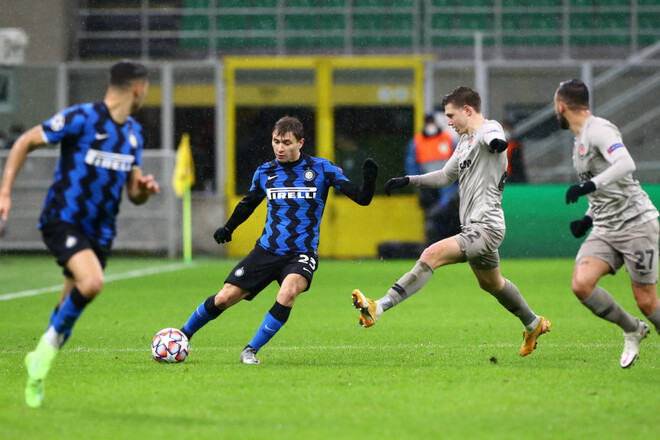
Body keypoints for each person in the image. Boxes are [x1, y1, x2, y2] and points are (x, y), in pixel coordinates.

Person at [0, 60, 160, 407]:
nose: (146, 95)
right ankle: (41, 355)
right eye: (146, 89)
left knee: (65, 313)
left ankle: (37, 366)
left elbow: (133, 192)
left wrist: (144, 190)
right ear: (137, 89)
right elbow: (25, 141)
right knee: (92, 283)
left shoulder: (133, 132)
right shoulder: (82, 118)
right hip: (64, 219)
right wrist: (4, 192)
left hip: (100, 232)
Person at [352, 86, 551, 357]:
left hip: (486, 227)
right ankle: (533, 323)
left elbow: (494, 137)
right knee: (492, 284)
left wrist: (497, 144)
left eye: (450, 115)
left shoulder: (488, 129)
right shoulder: (465, 142)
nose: (447, 122)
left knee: (430, 254)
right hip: (474, 227)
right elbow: (445, 176)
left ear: (467, 110)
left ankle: (379, 306)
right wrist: (409, 180)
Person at [178, 116, 378, 364]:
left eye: (286, 142)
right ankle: (182, 335)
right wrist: (229, 228)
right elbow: (249, 203)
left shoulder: (321, 168)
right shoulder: (266, 171)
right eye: (275, 141)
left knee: (288, 292)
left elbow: (361, 198)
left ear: (300, 143)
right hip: (267, 250)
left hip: (301, 253)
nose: (279, 148)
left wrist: (369, 184)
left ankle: (250, 350)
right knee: (224, 297)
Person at [554, 79, 659, 368]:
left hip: (636, 223)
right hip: (605, 227)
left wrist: (587, 187)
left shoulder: (598, 129)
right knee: (581, 284)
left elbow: (626, 164)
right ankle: (633, 329)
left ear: (561, 106)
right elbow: (606, 187)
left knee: (647, 302)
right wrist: (587, 219)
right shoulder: (579, 140)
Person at [405, 112, 459, 244]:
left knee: (450, 220)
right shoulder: (417, 142)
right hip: (429, 189)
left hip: (448, 189)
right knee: (433, 222)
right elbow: (411, 166)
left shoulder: (447, 139)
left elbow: (458, 162)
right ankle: (433, 246)